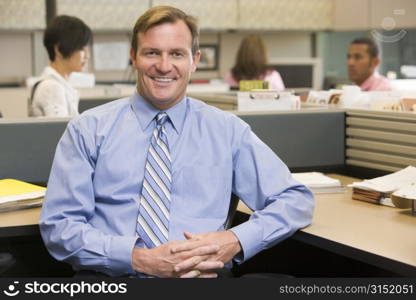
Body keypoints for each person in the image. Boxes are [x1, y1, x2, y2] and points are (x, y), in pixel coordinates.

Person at [40, 6, 314, 278]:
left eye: (177, 54)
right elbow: (60, 226)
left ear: (194, 60)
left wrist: (233, 241)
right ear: (134, 56)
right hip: (113, 280)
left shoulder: (227, 131)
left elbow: (295, 199)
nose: (164, 65)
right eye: (152, 52)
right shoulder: (88, 129)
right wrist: (138, 259)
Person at [30, 15, 92, 117]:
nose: (87, 56)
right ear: (58, 49)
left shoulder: (58, 84)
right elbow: (60, 131)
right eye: (81, 48)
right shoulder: (52, 87)